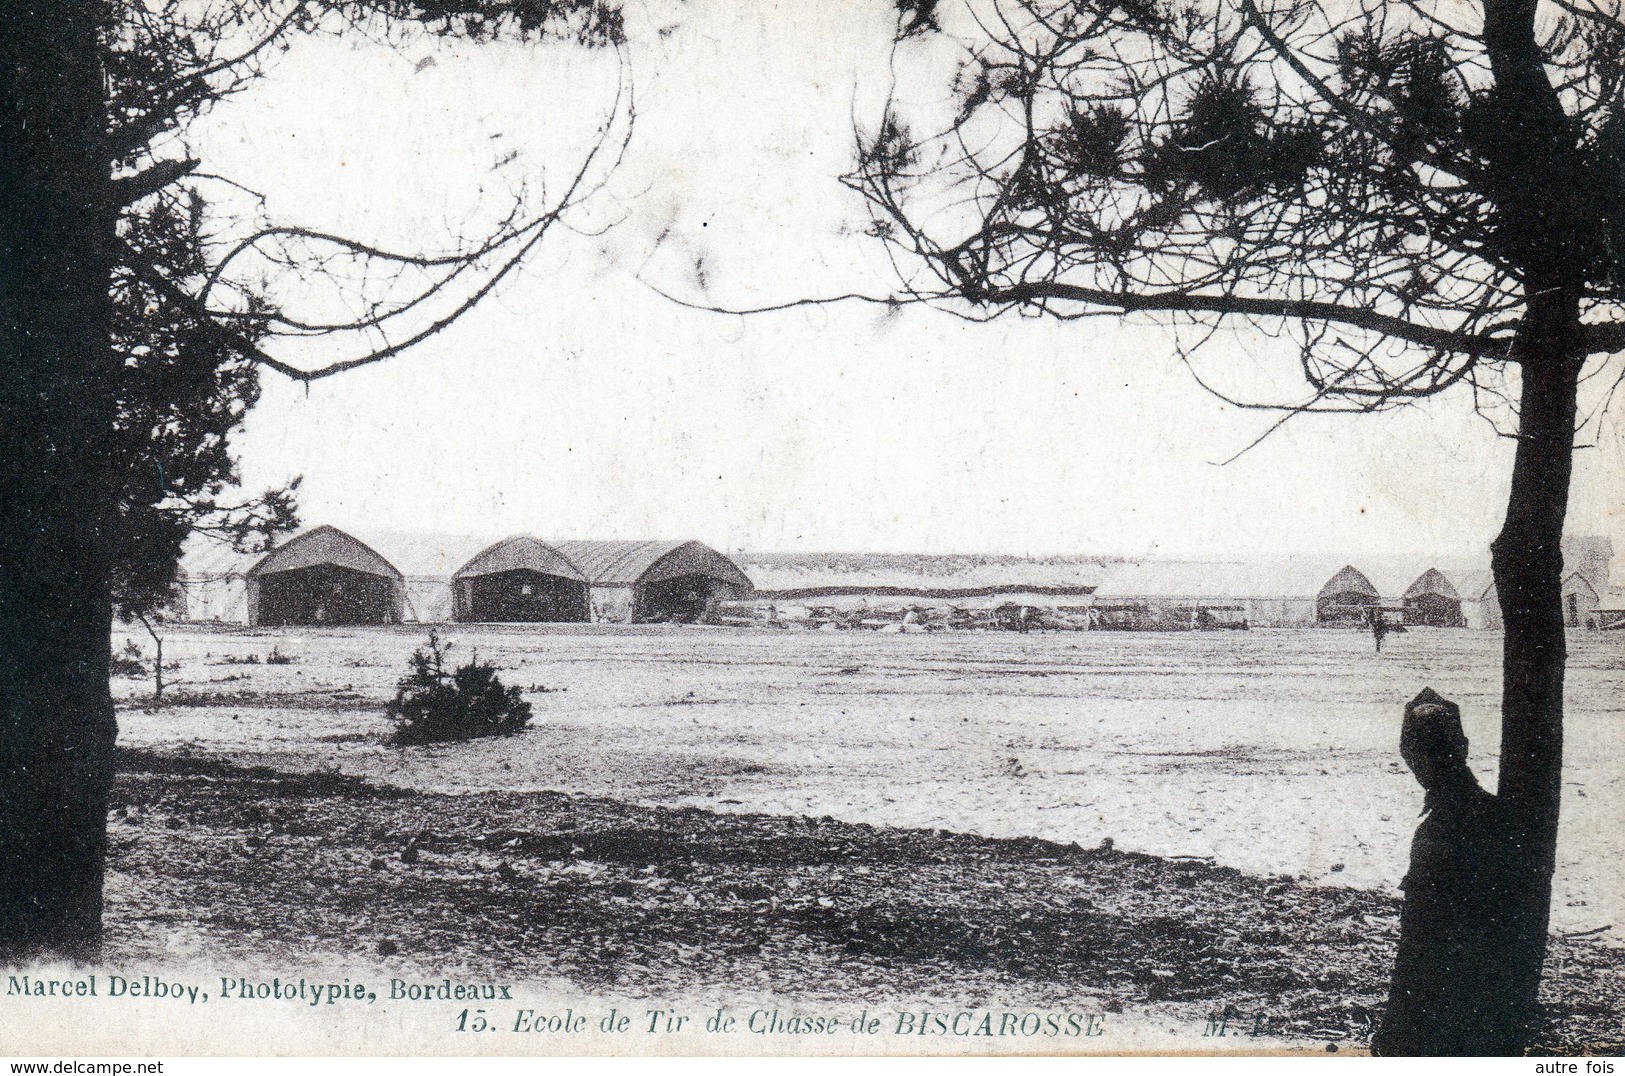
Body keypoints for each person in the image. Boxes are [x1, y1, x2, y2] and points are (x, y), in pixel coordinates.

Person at [1371, 689, 1539, 1055]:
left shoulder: (1441, 828)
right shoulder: (1489, 814)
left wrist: (1395, 1033)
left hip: (1448, 1019)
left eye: (1422, 754)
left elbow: (1420, 949)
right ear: (1463, 746)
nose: (1423, 765)